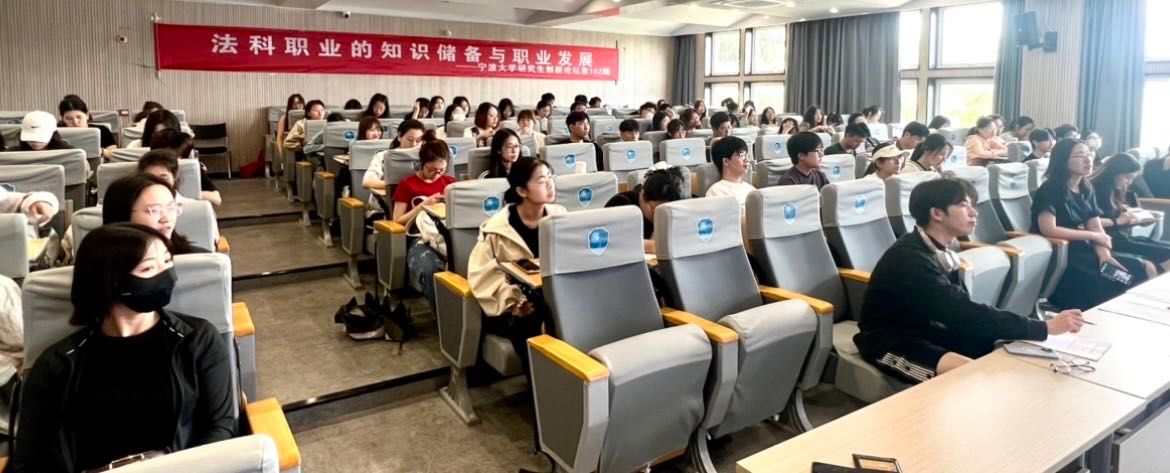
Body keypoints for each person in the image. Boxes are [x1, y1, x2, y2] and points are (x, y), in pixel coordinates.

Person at [11, 223, 235, 472]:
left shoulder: (196, 340)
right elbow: (29, 458)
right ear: (111, 280)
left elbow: (221, 426)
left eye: (167, 261)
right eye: (148, 268)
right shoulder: (58, 363)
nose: (167, 275)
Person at [853, 178, 1084, 383]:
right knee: (971, 375)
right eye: (964, 205)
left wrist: (1028, 330)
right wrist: (1044, 327)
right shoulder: (910, 259)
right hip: (888, 340)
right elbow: (960, 311)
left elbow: (962, 307)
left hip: (928, 329)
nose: (974, 213)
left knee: (1002, 350)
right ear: (937, 213)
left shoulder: (943, 248)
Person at [467, 156, 565, 369]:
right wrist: (515, 302)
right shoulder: (497, 229)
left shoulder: (560, 218)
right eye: (541, 180)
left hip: (553, 298)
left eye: (550, 177)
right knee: (531, 324)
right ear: (522, 190)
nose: (550, 184)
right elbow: (482, 276)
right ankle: (542, 388)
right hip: (513, 308)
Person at [1032, 139, 1149, 309]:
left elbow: (1095, 225)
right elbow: (1048, 229)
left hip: (1085, 249)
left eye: (1089, 154)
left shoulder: (1086, 188)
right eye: (1080, 155)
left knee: (1137, 268)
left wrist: (1104, 255)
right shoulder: (1050, 189)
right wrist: (1093, 236)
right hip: (1062, 255)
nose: (1088, 160)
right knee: (1117, 280)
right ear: (1063, 160)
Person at [1090, 153, 1170, 277]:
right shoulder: (1093, 190)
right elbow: (1086, 222)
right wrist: (1118, 221)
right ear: (1114, 172)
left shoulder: (1116, 189)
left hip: (1120, 236)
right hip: (1107, 240)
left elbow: (1120, 217)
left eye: (1132, 178)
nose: (1129, 182)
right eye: (1127, 177)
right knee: (1154, 261)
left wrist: (1137, 219)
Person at [103, 174, 207, 254]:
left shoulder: (199, 260)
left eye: (171, 207)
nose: (166, 218)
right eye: (155, 210)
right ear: (122, 214)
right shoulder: (98, 267)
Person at [605, 166, 685, 253]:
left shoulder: (673, 210)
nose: (657, 216)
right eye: (655, 211)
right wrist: (653, 245)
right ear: (643, 196)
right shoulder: (621, 204)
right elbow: (613, 243)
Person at [388, 130, 455, 230]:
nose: (437, 174)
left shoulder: (450, 184)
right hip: (418, 233)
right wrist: (424, 205)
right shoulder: (407, 184)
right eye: (432, 169)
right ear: (422, 163)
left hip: (446, 230)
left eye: (442, 170)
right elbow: (397, 221)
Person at [364, 120, 426, 213]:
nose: (414, 144)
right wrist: (398, 186)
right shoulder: (384, 156)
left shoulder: (426, 158)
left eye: (418, 141)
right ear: (399, 137)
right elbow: (367, 182)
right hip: (383, 208)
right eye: (410, 140)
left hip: (417, 204)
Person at [149, 130, 222, 206]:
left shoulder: (191, 168)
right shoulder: (150, 170)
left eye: (180, 157)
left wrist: (191, 194)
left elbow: (217, 199)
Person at [705, 136, 755, 208]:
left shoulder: (751, 189)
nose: (746, 160)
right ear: (726, 161)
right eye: (741, 155)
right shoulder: (715, 192)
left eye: (746, 155)